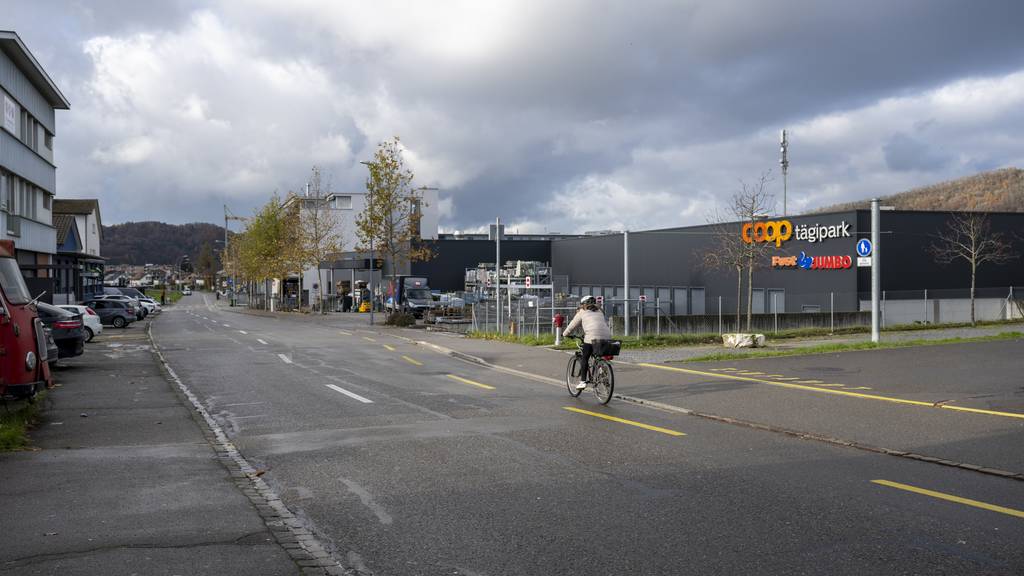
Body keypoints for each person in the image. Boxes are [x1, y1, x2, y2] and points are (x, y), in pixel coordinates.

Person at [562, 295, 612, 390]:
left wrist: (564, 334)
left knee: (585, 357)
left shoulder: (582, 312)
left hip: (592, 337)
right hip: (607, 337)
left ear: (584, 304)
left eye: (582, 304)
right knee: (598, 355)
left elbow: (572, 325)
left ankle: (583, 382)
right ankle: (602, 370)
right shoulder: (600, 311)